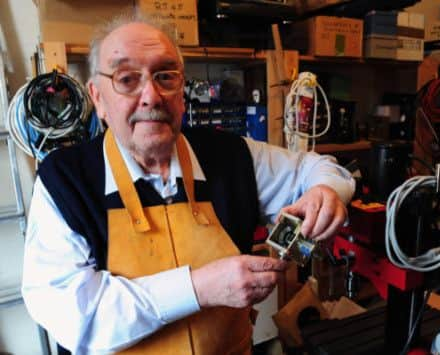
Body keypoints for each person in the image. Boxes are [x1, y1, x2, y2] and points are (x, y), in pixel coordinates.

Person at [22, 12, 355, 355]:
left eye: (165, 76)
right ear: (98, 97)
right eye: (126, 79)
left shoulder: (231, 154)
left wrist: (325, 192)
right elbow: (73, 317)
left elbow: (316, 169)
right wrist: (199, 288)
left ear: (182, 91)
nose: (151, 96)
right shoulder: (64, 180)